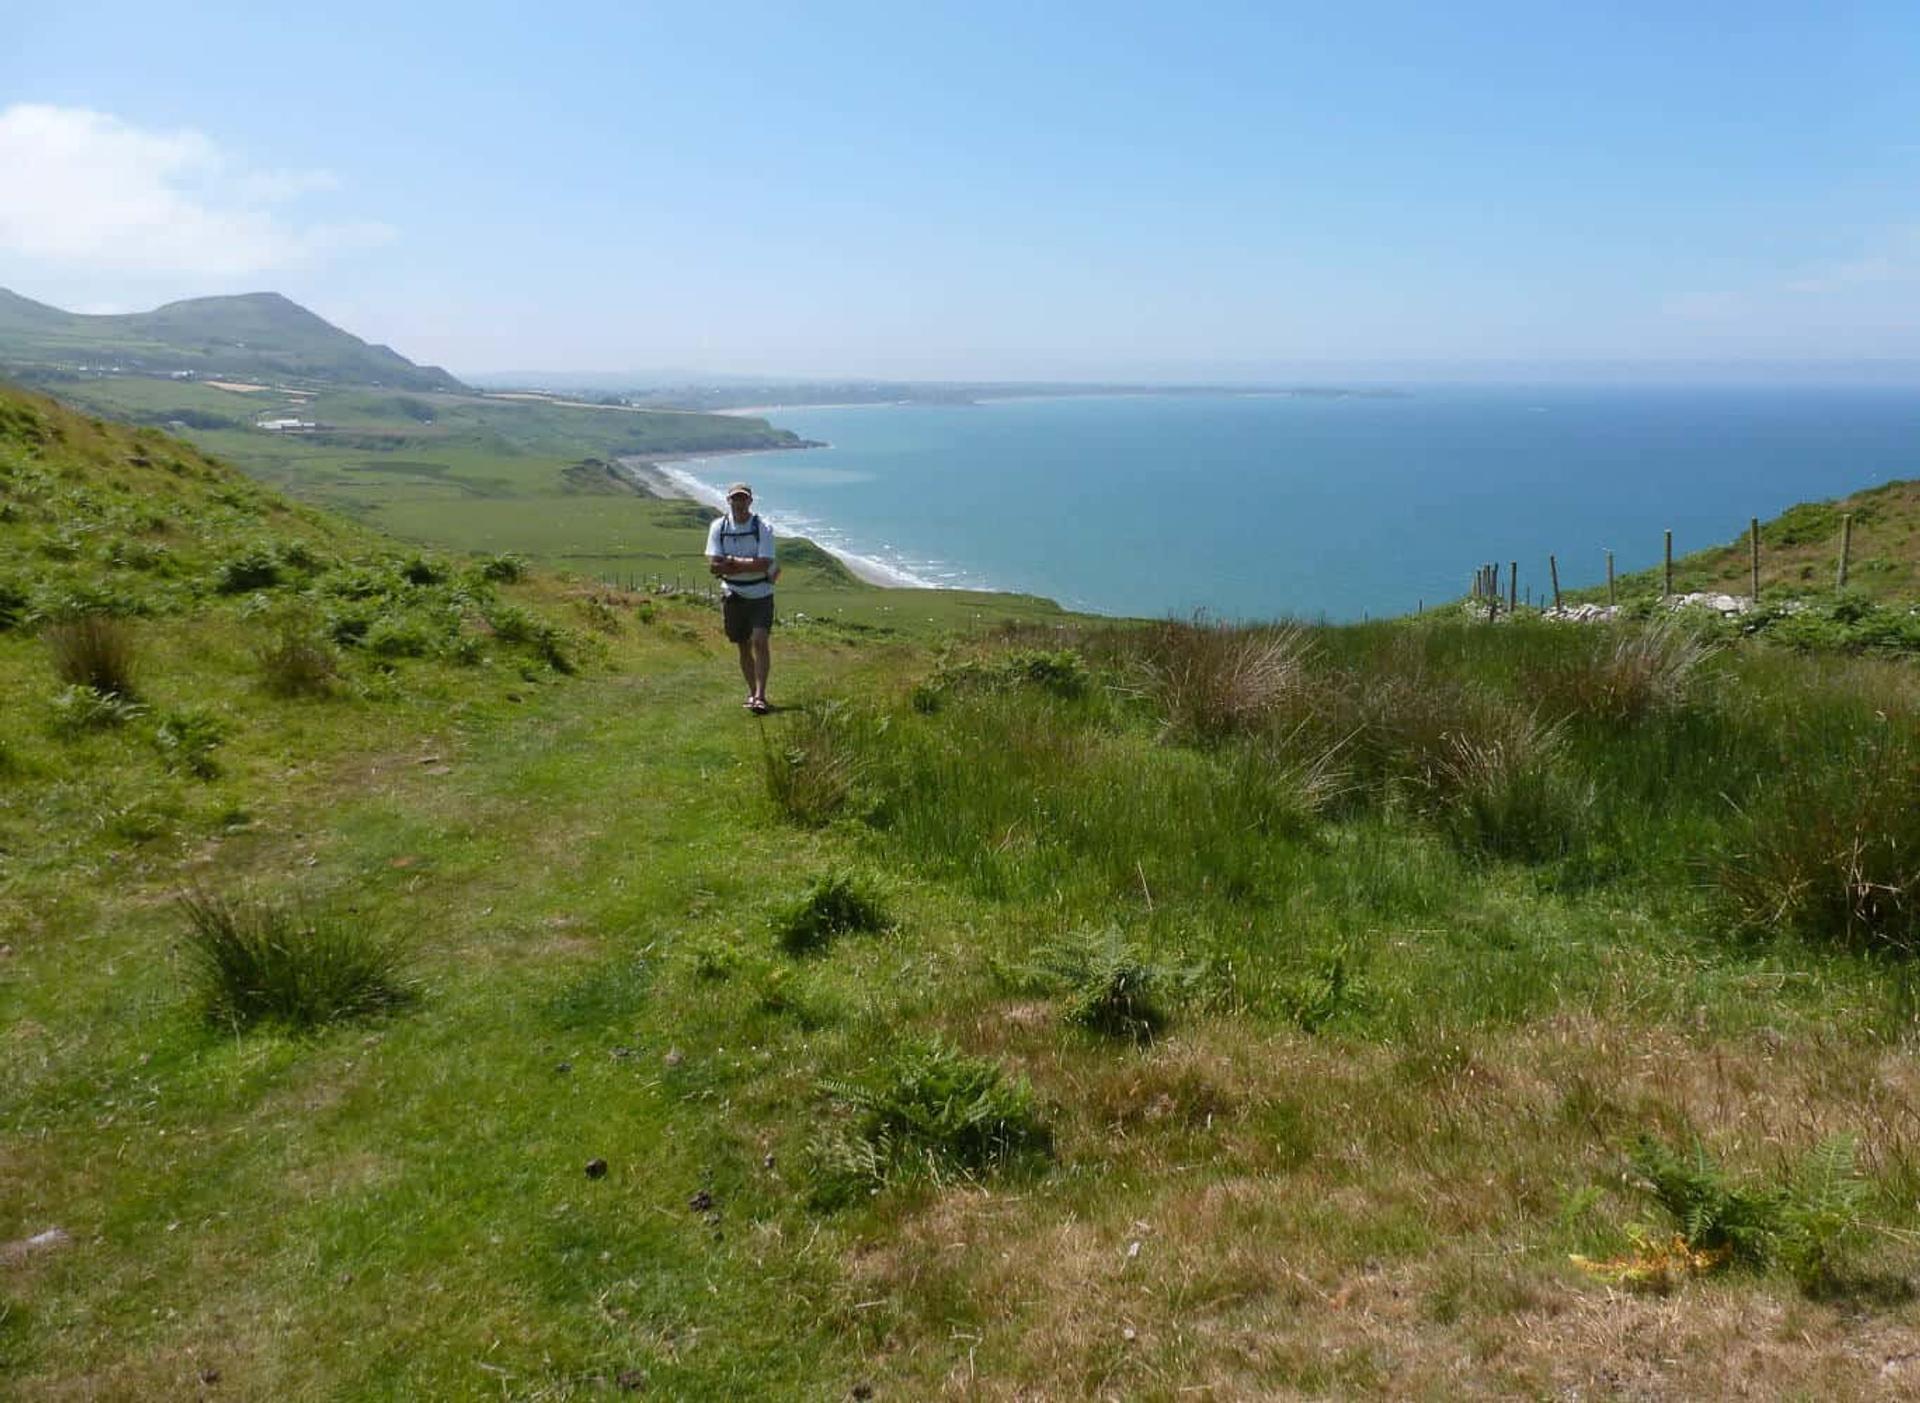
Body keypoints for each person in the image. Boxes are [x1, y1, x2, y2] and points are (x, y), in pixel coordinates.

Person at [706, 482, 777, 713]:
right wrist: (748, 565)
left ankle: (760, 695)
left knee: (759, 640)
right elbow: (714, 567)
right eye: (735, 499)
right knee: (743, 646)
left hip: (761, 594)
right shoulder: (719, 526)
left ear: (750, 501)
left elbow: (765, 563)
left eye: (743, 498)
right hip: (733, 594)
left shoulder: (763, 527)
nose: (739, 503)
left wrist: (732, 563)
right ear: (729, 501)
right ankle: (752, 692)